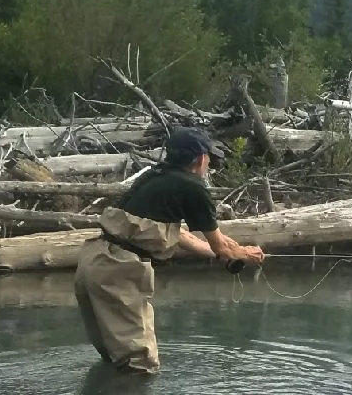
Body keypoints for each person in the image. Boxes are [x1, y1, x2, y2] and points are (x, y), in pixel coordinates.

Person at [73, 126, 265, 373]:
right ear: (200, 158)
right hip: (119, 272)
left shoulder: (155, 176)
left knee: (115, 360)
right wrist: (246, 254)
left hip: (93, 262)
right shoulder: (193, 187)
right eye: (209, 157)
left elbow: (181, 235)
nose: (209, 163)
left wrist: (223, 252)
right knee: (140, 366)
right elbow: (222, 247)